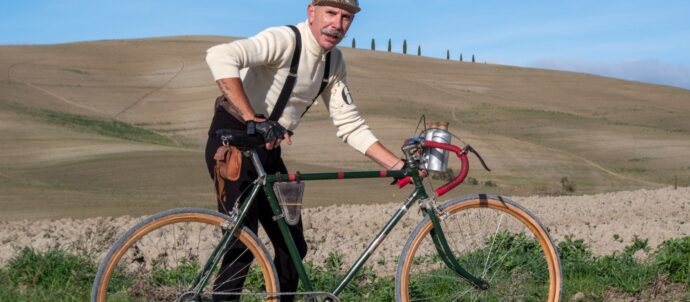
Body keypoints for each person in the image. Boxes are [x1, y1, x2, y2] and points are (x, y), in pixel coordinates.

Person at [204, 0, 404, 300]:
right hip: (233, 143)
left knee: (293, 247)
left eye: (346, 17)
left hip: (269, 151)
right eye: (331, 13)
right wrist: (252, 119)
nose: (337, 24)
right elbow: (219, 55)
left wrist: (396, 165)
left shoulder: (333, 63)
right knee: (242, 246)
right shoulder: (284, 40)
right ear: (312, 13)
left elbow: (349, 124)